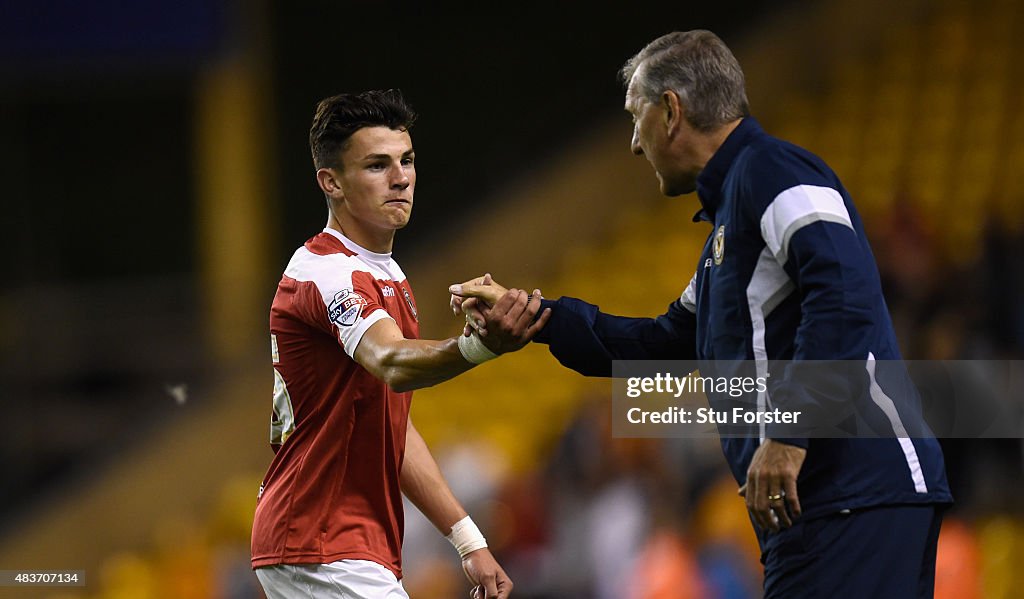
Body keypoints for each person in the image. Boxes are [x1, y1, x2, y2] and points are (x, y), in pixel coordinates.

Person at [450, 31, 952, 598]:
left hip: (853, 493)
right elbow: (659, 346)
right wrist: (538, 318)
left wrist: (788, 434)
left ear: (670, 111)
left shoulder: (775, 171)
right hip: (827, 505)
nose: (634, 145)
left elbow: (843, 293)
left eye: (634, 118)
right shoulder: (728, 230)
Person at [250, 89, 548, 599]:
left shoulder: (385, 275)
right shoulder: (326, 272)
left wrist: (468, 540)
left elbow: (393, 425)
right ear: (331, 182)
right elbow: (391, 361)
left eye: (406, 161)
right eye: (376, 165)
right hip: (321, 540)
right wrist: (480, 347)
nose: (401, 177)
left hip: (344, 544)